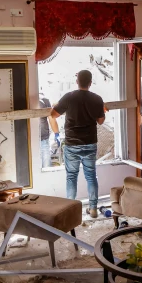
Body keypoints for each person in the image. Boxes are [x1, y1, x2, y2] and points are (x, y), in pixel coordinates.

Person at [51, 70, 106, 217]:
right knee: (91, 176)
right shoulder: (97, 99)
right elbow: (100, 121)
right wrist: (101, 110)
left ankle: (71, 211)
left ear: (77, 82)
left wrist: (58, 106)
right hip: (89, 143)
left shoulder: (69, 97)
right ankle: (93, 209)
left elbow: (53, 115)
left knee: (71, 176)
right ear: (90, 82)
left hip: (72, 144)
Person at [38, 92, 54, 168]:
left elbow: (51, 118)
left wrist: (56, 133)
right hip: (32, 138)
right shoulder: (27, 100)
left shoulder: (45, 101)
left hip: (43, 137)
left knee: (46, 163)